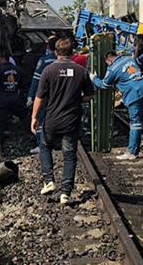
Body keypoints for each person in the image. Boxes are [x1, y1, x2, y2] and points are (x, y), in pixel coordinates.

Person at [31, 37, 95, 205]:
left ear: (55, 52)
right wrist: (76, 99)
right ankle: (66, 193)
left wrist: (34, 117)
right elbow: (89, 95)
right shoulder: (81, 71)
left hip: (52, 119)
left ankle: (49, 180)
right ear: (72, 52)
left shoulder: (48, 70)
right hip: (71, 121)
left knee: (45, 147)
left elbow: (39, 97)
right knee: (69, 155)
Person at [93, 48, 143, 159]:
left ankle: (132, 152)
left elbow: (104, 85)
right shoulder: (129, 59)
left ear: (109, 61)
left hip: (134, 94)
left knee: (135, 123)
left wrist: (94, 78)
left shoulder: (112, 69)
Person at [27, 36, 59, 154]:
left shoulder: (44, 61)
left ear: (48, 47)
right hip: (58, 95)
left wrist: (30, 96)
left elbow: (36, 79)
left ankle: (42, 145)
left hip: (45, 95)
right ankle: (54, 141)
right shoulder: (62, 61)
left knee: (41, 119)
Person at [0, 50, 27, 147]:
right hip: (15, 97)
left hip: (2, 99)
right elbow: (23, 85)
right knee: (24, 116)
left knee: (0, 122)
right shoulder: (18, 69)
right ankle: (30, 133)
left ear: (2, 58)